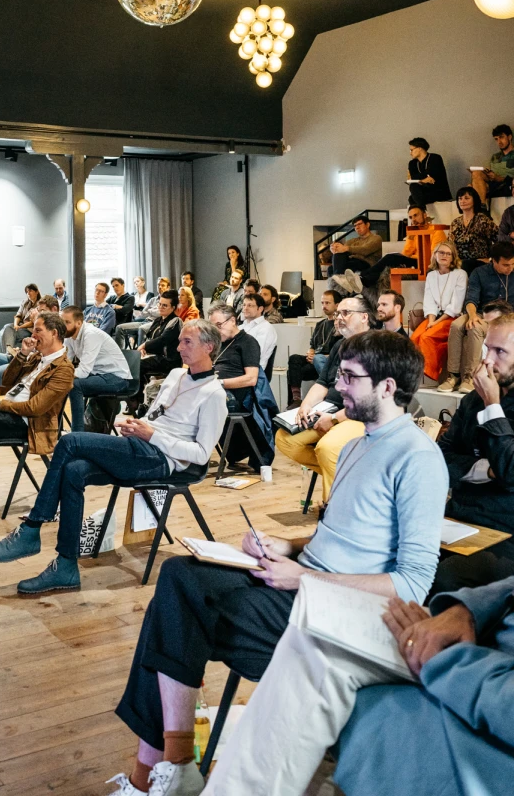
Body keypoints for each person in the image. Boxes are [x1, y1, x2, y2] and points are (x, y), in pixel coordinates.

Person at [109, 330, 447, 796]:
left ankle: (162, 770)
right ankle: (174, 766)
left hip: (338, 610)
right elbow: (338, 534)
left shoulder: (418, 458)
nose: (339, 386)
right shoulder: (355, 444)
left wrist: (302, 577)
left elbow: (413, 584)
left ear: (388, 387)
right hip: (304, 581)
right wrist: (285, 546)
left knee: (177, 618)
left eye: (350, 377)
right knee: (178, 576)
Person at [207, 572, 514, 796]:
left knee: (312, 644)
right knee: (188, 581)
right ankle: (180, 763)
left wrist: (452, 663)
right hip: (482, 651)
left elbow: (412, 575)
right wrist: (467, 610)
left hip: (486, 706)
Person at [0, 320, 227, 596]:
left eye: (187, 342)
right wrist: (135, 425)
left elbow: (202, 455)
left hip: (162, 459)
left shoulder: (214, 394)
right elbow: (155, 417)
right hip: (142, 446)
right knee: (73, 471)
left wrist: (152, 435)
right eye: (180, 341)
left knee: (70, 441)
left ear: (209, 347)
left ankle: (32, 527)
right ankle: (66, 566)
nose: (179, 347)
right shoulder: (174, 376)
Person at [430, 313, 514, 593]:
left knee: (444, 577)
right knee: (394, 552)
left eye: (500, 351)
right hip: (460, 517)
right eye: (487, 348)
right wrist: (484, 469)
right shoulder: (472, 399)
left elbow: (510, 471)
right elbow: (442, 455)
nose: (488, 360)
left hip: (505, 531)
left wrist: (493, 404)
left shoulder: (485, 397)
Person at [275, 295, 374, 499]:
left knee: (327, 448)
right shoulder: (339, 346)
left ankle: (333, 506)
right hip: (328, 409)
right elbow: (322, 382)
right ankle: (348, 477)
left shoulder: (375, 347)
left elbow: (369, 401)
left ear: (364, 317)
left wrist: (335, 419)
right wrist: (306, 405)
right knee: (284, 439)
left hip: (357, 416)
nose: (339, 317)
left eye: (346, 313)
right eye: (338, 313)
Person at [0, 312, 74, 459]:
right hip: (7, 415)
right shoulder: (37, 357)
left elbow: (34, 408)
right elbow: (7, 380)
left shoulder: (63, 369)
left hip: (26, 425)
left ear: (54, 333)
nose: (33, 335)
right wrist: (23, 354)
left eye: (38, 330)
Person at [438, 240, 514, 394]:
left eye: (513, 264)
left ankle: (470, 377)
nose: (510, 268)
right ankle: (453, 376)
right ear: (494, 261)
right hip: (482, 312)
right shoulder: (480, 273)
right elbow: (471, 299)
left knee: (475, 328)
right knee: (457, 325)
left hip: (506, 317)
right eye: (506, 265)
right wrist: (472, 315)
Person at [208, 302, 269, 469]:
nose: (215, 330)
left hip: (237, 397)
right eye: (212, 327)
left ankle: (193, 456)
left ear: (233, 320)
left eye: (218, 325)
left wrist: (219, 382)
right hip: (217, 391)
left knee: (198, 403)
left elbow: (251, 379)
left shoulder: (248, 342)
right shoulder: (220, 343)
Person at [61, 305, 133, 433]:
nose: (63, 326)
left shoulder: (90, 334)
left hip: (118, 379)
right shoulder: (70, 336)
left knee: (75, 385)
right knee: (62, 382)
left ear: (78, 323)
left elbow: (83, 372)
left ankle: (77, 434)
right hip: (99, 375)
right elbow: (65, 362)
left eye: (67, 322)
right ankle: (55, 431)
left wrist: (62, 375)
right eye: (62, 322)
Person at [347, 204, 447, 294]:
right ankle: (365, 280)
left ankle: (361, 276)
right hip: (414, 260)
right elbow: (406, 253)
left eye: (416, 215)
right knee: (388, 267)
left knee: (390, 257)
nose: (413, 220)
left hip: (427, 263)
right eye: (411, 217)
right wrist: (411, 238)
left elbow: (434, 256)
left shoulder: (436, 231)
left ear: (425, 215)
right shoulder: (414, 231)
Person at [410, 241, 468, 383]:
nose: (444, 256)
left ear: (453, 257)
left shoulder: (460, 274)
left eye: (448, 254)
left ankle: (430, 374)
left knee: (427, 337)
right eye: (441, 253)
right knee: (415, 337)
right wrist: (430, 320)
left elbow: (456, 304)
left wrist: (436, 322)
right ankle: (412, 373)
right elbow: (429, 300)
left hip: (451, 317)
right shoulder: (431, 275)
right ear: (435, 255)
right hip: (434, 316)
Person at [286, 289, 339, 404]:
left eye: (327, 303)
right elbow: (312, 344)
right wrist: (310, 352)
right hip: (314, 359)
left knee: (295, 372)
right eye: (322, 303)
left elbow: (339, 351)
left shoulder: (339, 325)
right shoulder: (320, 324)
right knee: (294, 359)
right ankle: (296, 399)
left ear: (337, 305)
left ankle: (295, 401)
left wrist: (317, 357)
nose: (324, 306)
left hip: (326, 362)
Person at [137, 290, 182, 397]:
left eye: (165, 305)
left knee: (138, 365)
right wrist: (145, 348)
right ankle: (136, 397)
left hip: (169, 360)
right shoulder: (158, 320)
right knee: (133, 361)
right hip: (156, 357)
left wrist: (144, 346)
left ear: (173, 307)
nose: (161, 307)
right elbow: (149, 337)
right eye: (160, 304)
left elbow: (162, 340)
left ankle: (136, 399)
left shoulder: (175, 321)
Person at [447, 186, 497, 277]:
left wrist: (491, 259)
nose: (462, 201)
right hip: (459, 262)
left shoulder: (483, 220)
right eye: (460, 198)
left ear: (474, 200)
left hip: (479, 262)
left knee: (465, 266)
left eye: (466, 198)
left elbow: (499, 239)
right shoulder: (455, 223)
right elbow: (449, 245)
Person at [470, 122, 514, 207]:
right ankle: (482, 208)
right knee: (476, 174)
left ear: (509, 137)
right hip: (494, 185)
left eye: (501, 137)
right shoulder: (495, 157)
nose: (499, 142)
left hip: (508, 185)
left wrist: (499, 178)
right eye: (496, 139)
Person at [115, 278, 166, 350]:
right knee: (119, 327)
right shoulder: (153, 299)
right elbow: (143, 313)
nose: (160, 287)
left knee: (142, 328)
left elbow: (160, 313)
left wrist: (150, 310)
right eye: (158, 285)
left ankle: (139, 354)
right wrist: (153, 310)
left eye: (162, 285)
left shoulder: (168, 300)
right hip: (145, 320)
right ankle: (119, 354)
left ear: (168, 287)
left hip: (156, 323)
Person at [406, 136, 451, 206]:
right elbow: (414, 178)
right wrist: (424, 179)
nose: (410, 153)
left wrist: (420, 180)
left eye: (411, 150)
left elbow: (434, 175)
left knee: (413, 197)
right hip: (422, 191)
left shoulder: (435, 158)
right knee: (413, 193)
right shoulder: (412, 163)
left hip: (438, 191)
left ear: (419, 148)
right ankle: (422, 210)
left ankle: (422, 212)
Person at [0, 284, 41, 351]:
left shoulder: (40, 305)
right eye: (27, 292)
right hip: (21, 326)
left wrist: (20, 327)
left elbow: (32, 322)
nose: (28, 293)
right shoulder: (25, 302)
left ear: (37, 292)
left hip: (29, 329)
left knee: (7, 329)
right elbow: (18, 315)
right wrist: (15, 325)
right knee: (2, 332)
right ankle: (8, 352)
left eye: (30, 291)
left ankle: (7, 353)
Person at [240, 292, 277, 370]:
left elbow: (256, 355)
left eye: (250, 305)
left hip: (253, 371)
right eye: (244, 305)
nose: (245, 308)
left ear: (260, 309)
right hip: (237, 367)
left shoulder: (266, 328)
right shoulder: (240, 327)